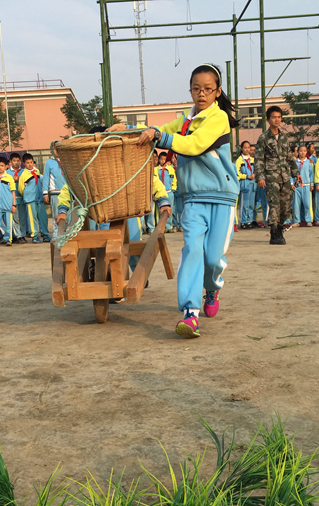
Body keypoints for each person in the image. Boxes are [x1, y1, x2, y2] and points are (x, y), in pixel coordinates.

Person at [136, 63, 238, 338]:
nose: (201, 94)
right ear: (190, 90)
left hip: (223, 197)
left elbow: (194, 145)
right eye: (196, 89)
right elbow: (156, 129)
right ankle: (190, 313)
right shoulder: (184, 120)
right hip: (192, 198)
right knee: (192, 250)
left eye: (207, 89)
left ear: (217, 91)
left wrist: (161, 136)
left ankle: (212, 290)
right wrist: (131, 129)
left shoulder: (219, 119)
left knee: (214, 258)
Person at [254, 106, 298, 245]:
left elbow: (289, 157)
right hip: (271, 176)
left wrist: (296, 173)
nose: (277, 119)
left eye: (279, 117)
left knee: (286, 206)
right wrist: (260, 177)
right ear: (268, 119)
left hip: (285, 176)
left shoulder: (284, 137)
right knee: (274, 204)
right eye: (274, 117)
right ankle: (274, 232)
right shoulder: (263, 138)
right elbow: (259, 159)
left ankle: (280, 226)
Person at [19, 154, 46, 243]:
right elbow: (21, 188)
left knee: (43, 217)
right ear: (24, 164)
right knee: (32, 218)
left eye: (31, 162)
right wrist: (27, 195)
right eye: (27, 163)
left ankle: (45, 234)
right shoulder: (23, 175)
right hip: (30, 200)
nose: (30, 165)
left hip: (40, 199)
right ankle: (34, 236)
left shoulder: (37, 171)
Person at [235, 142, 256, 229]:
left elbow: (257, 170)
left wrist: (255, 175)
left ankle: (249, 221)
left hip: (253, 184)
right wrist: (247, 176)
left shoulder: (253, 160)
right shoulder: (239, 160)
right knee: (245, 205)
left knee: (251, 204)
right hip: (245, 184)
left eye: (248, 148)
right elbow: (237, 173)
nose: (247, 150)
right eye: (245, 148)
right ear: (241, 148)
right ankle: (243, 221)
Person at [294, 145, 314, 226]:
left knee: (307, 203)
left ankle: (308, 219)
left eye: (304, 151)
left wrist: (312, 184)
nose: (302, 153)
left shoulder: (309, 162)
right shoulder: (295, 163)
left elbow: (311, 174)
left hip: (306, 185)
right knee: (296, 204)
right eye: (301, 151)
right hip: (297, 186)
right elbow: (292, 174)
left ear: (307, 152)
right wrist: (292, 184)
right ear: (298, 152)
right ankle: (297, 220)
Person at [8, 152, 27, 242]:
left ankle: (23, 234)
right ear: (10, 162)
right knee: (15, 218)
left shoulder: (24, 172)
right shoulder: (7, 173)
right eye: (14, 161)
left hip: (22, 197)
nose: (16, 163)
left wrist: (20, 180)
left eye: (18, 161)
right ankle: (17, 235)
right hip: (12, 198)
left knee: (22, 217)